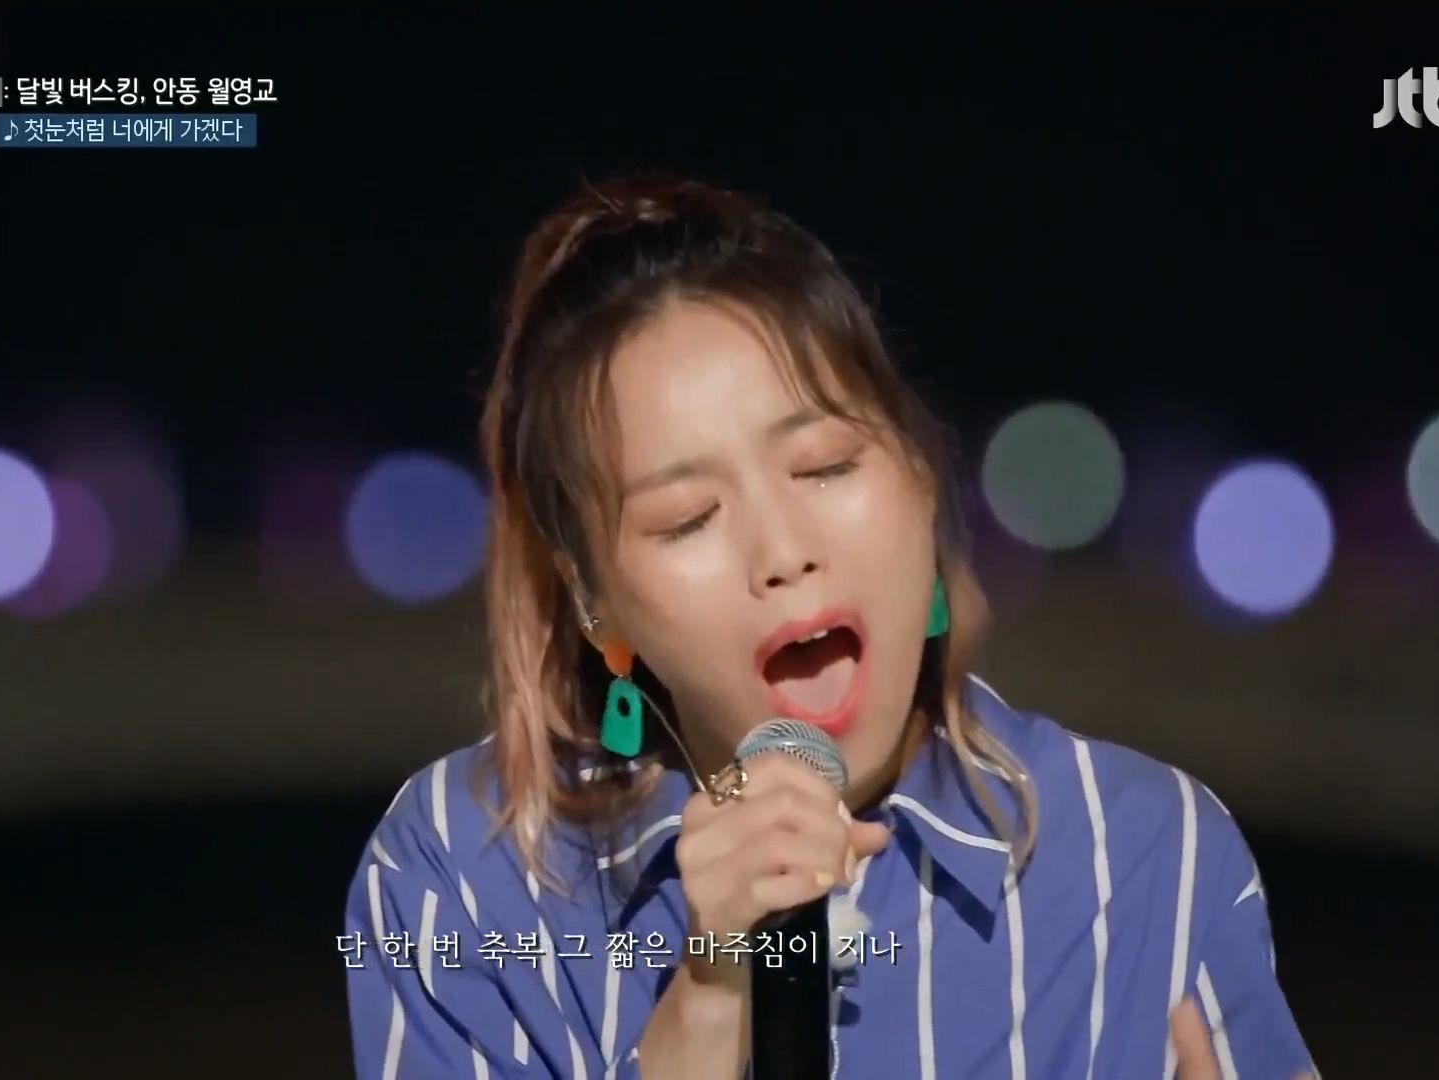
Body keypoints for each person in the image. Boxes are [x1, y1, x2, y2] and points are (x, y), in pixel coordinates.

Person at [343, 173, 1317, 1079]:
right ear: (597, 605)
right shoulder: (462, 879)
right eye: (687, 519)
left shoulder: (1147, 859)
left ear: (920, 480)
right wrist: (710, 997)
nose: (782, 551)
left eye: (825, 467)